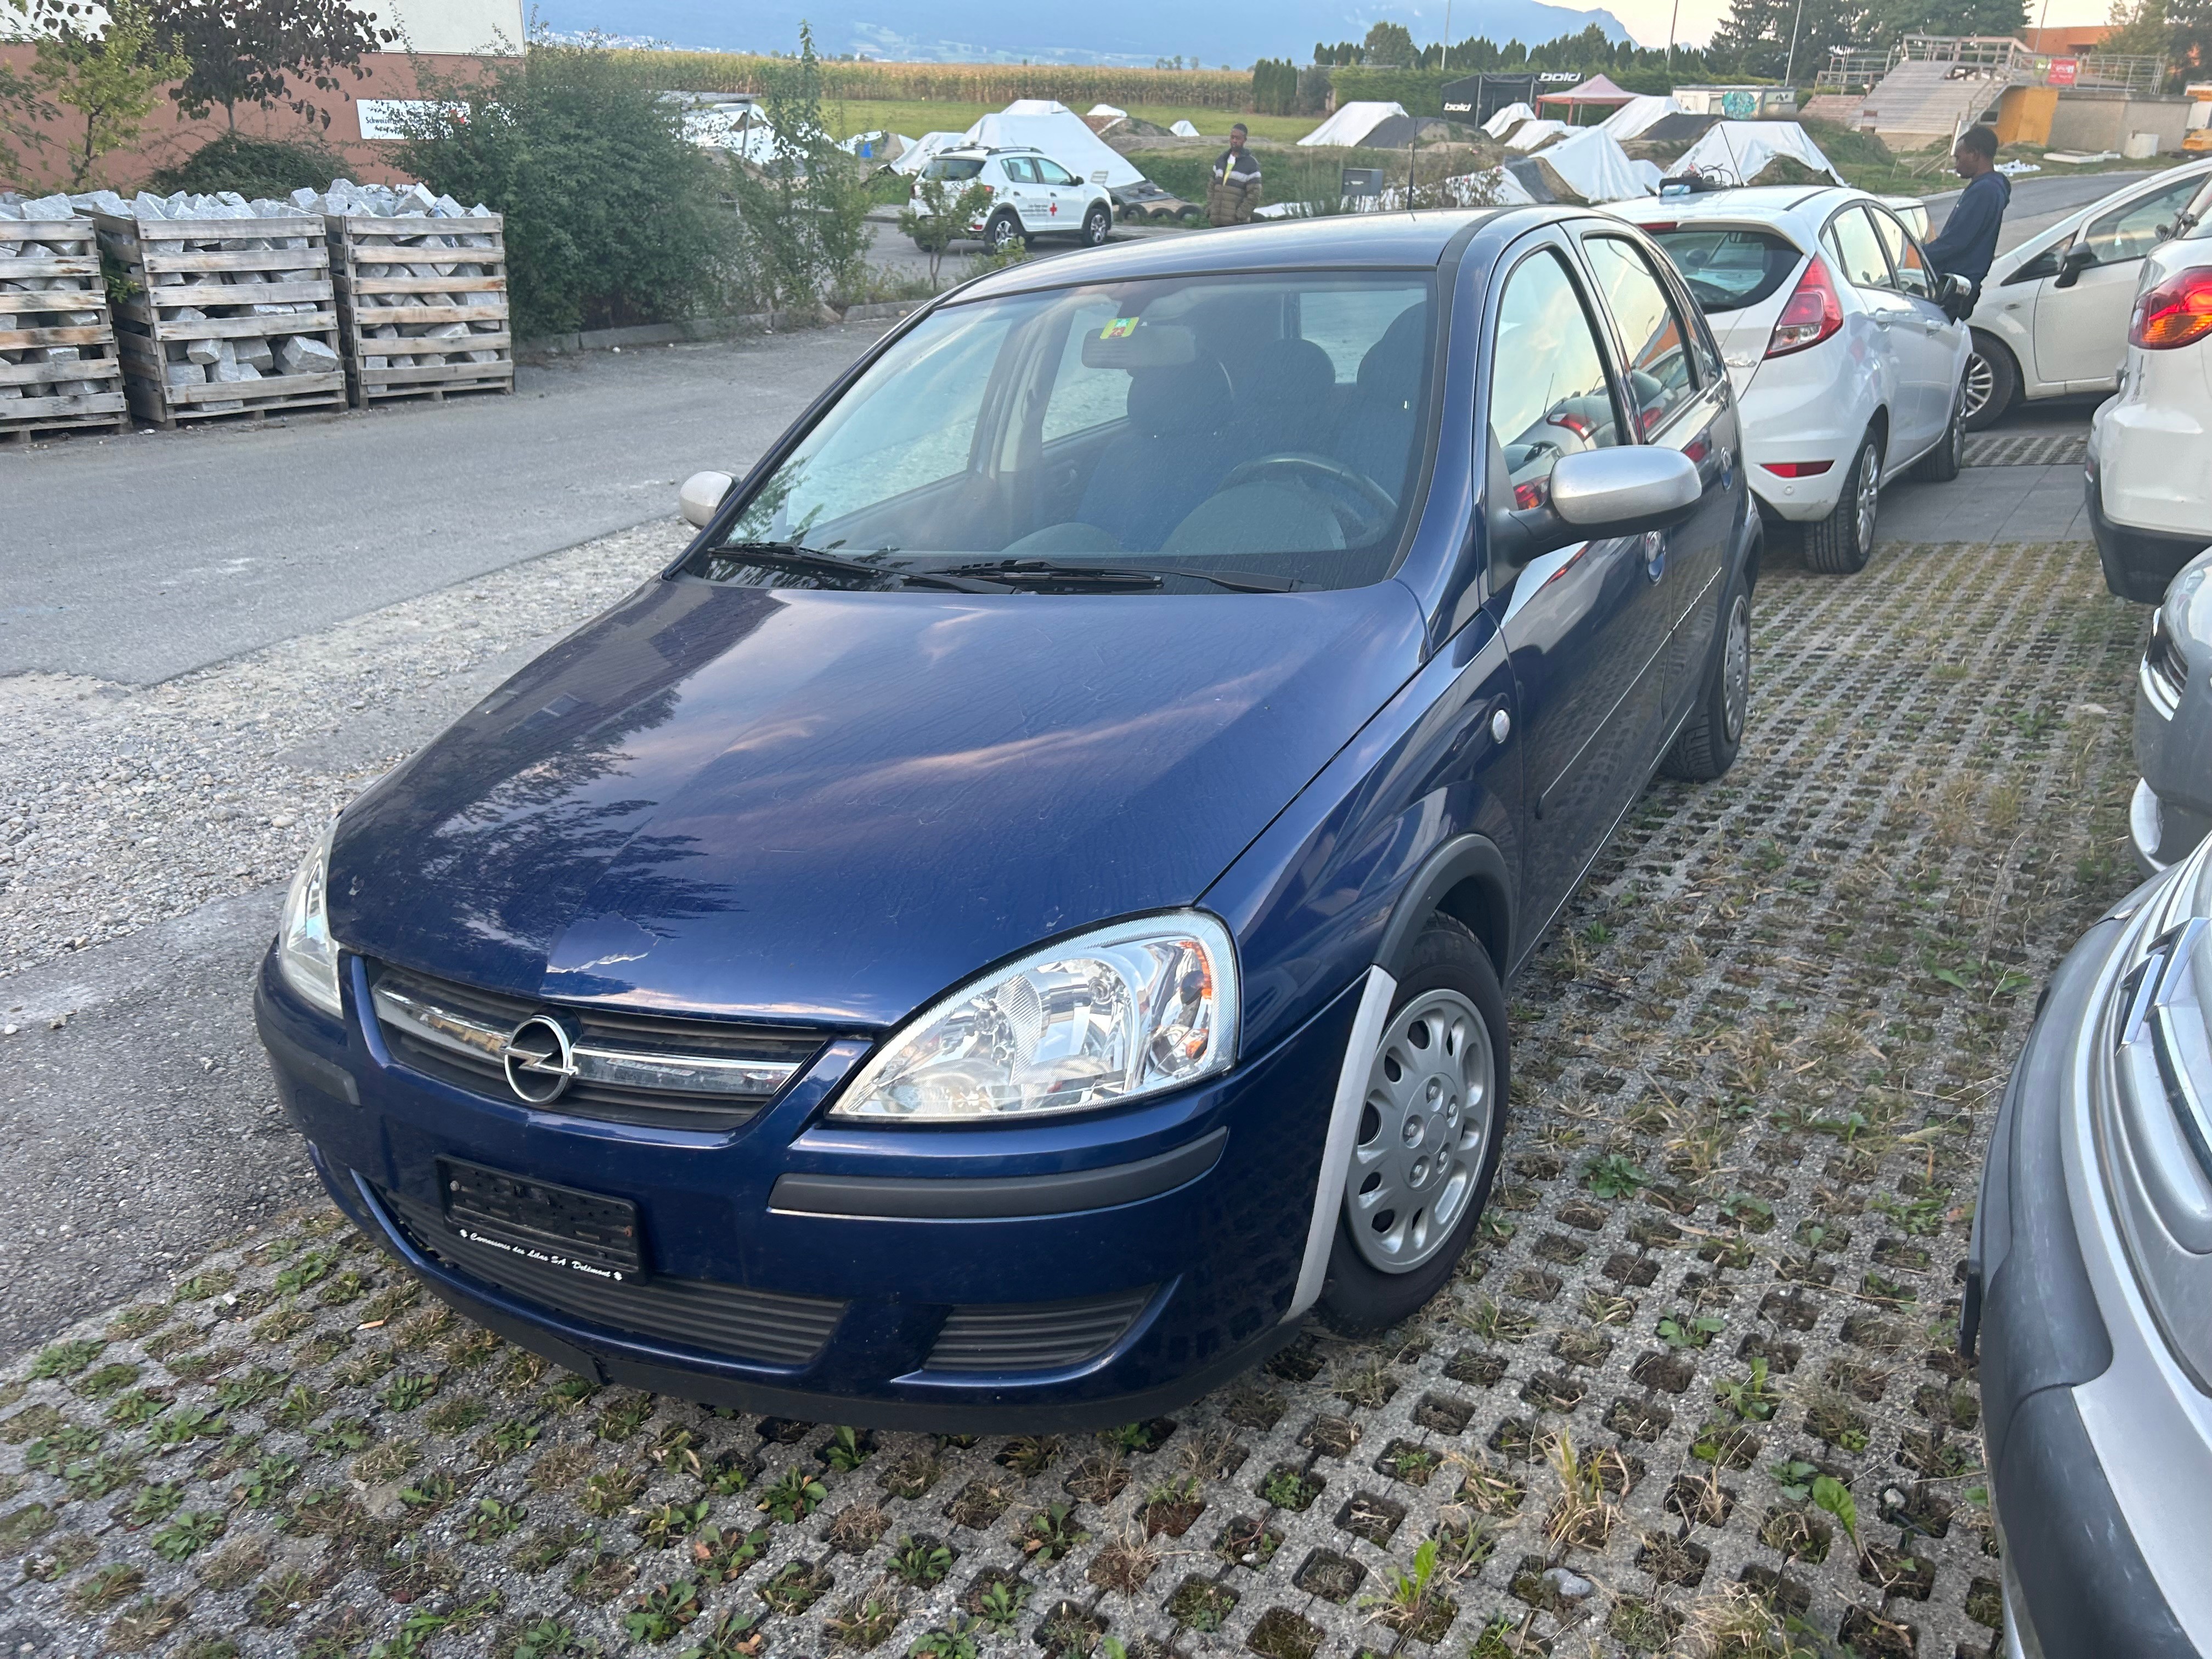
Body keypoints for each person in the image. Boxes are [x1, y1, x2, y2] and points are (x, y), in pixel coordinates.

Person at [1925, 126, 2010, 303]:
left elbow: (1956, 241)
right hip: (1963, 283)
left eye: (1958, 157)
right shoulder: (1993, 186)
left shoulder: (1985, 190)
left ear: (1974, 155)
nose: (1956, 165)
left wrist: (1919, 256)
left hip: (1956, 286)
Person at [1207, 124, 1263, 226]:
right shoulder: (1221, 161)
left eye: (1238, 138)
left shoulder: (1251, 164)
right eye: (1232, 137)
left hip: (1237, 225)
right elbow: (1211, 188)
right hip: (1217, 222)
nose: (1234, 141)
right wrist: (1211, 209)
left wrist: (1240, 215)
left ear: (1245, 140)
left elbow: (1254, 195)